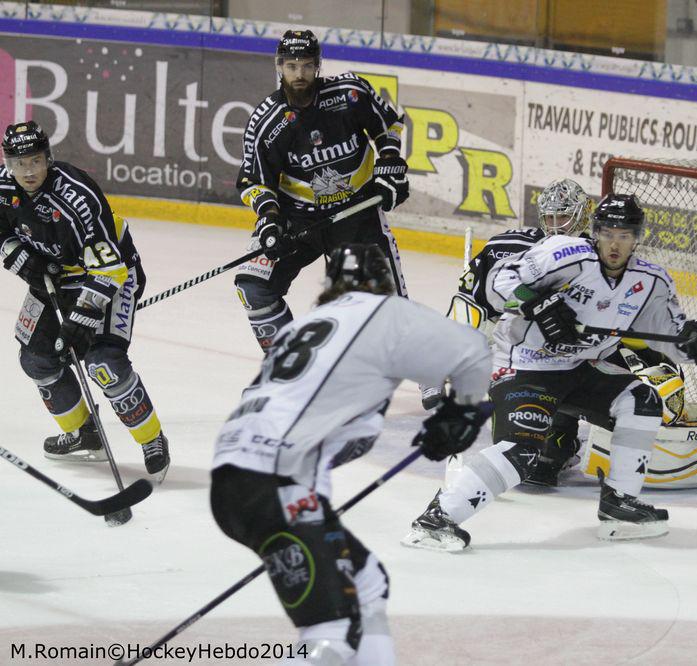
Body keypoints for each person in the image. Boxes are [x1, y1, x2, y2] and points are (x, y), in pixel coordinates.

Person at [211, 244, 492, 665]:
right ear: (382, 283)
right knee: (332, 630)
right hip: (277, 487)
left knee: (368, 582)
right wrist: (461, 413)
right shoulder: (381, 312)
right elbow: (473, 349)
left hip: (234, 481)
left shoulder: (300, 329)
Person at [402, 193, 697, 551]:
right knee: (523, 453)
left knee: (642, 400)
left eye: (624, 236)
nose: (614, 244)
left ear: (637, 238)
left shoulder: (650, 281)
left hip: (583, 368)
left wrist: (696, 342)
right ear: (596, 232)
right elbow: (497, 281)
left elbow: (669, 335)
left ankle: (620, 504)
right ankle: (436, 520)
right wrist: (536, 303)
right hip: (525, 364)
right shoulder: (564, 254)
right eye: (608, 234)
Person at [0, 121, 169, 480]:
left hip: (111, 274)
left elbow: (110, 269)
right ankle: (83, 432)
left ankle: (151, 438)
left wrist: (80, 319)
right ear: (8, 164)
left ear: (48, 158)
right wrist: (22, 259)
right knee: (36, 359)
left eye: (35, 161)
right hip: (56, 277)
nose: (28, 171)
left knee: (103, 363)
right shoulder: (3, 187)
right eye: (19, 163)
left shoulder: (76, 197)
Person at [235, 29, 410, 351]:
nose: (299, 74)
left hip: (355, 215)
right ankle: (291, 366)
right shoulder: (266, 122)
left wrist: (389, 165)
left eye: (306, 65)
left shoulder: (350, 93)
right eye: (291, 66)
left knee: (384, 310)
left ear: (318, 65)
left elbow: (389, 126)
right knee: (254, 286)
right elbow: (255, 181)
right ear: (279, 66)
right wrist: (269, 219)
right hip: (298, 219)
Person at [420, 178, 594, 485]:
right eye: (550, 217)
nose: (556, 226)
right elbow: (469, 306)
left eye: (564, 217)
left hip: (560, 355)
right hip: (509, 349)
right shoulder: (505, 247)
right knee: (517, 452)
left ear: (581, 217)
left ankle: (564, 436)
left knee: (546, 460)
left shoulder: (596, 259)